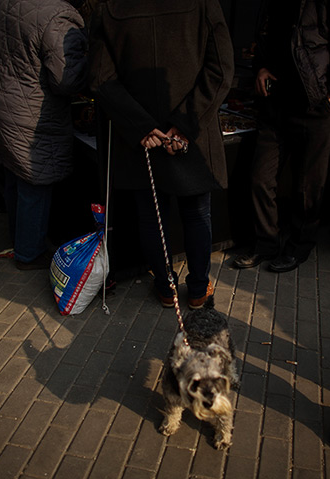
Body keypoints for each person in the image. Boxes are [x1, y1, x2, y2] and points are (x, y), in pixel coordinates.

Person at [88, 0, 234, 308]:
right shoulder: (204, 4)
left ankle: (167, 287)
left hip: (142, 138)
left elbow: (101, 79)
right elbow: (221, 69)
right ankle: (196, 289)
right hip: (190, 133)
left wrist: (143, 127)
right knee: (195, 214)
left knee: (152, 216)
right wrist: (183, 125)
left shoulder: (111, 8)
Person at [232, 0, 330, 273]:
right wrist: (261, 66)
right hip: (277, 99)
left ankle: (298, 247)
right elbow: (266, 32)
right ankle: (265, 244)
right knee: (261, 176)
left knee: (309, 185)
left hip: (316, 101)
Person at [0, 0, 88, 270]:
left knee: (16, 173)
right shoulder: (57, 16)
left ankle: (20, 238)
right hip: (29, 111)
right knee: (34, 181)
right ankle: (29, 252)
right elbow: (67, 79)